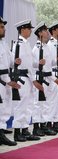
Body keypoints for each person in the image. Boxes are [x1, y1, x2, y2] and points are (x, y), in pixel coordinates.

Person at [12, 19, 43, 141]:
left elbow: (29, 63)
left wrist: (37, 63)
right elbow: (20, 64)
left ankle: (25, 129)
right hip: (22, 78)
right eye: (28, 29)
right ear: (22, 30)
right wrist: (34, 80)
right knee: (20, 106)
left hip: (28, 78)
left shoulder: (26, 44)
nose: (30, 31)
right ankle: (17, 132)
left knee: (28, 105)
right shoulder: (18, 45)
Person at [32, 21, 58, 136]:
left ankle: (43, 125)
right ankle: (36, 126)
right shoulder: (36, 48)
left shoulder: (46, 47)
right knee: (37, 103)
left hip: (47, 78)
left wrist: (57, 60)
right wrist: (35, 80)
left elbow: (49, 65)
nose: (47, 33)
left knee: (45, 103)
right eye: (45, 31)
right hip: (40, 78)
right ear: (40, 33)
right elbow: (32, 66)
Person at [0, 17, 20, 146]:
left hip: (5, 79)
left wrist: (16, 61)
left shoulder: (4, 43)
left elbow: (9, 60)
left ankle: (1, 131)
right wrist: (8, 81)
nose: (4, 29)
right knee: (1, 107)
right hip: (1, 80)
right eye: (1, 27)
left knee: (5, 107)